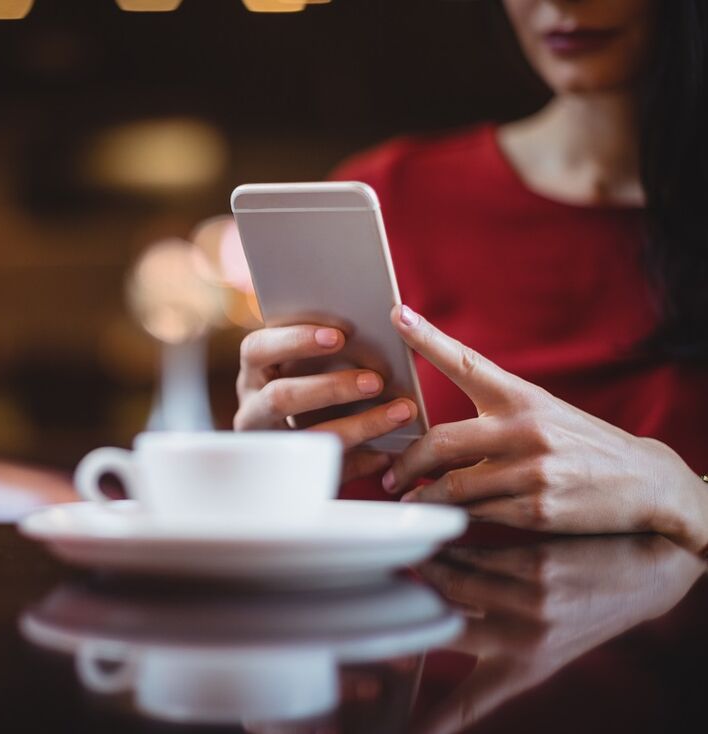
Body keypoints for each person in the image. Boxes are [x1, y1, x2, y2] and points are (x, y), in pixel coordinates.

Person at [234, 0, 708, 552]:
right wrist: (262, 474)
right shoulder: (395, 196)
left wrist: (680, 494)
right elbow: (329, 513)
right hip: (409, 629)